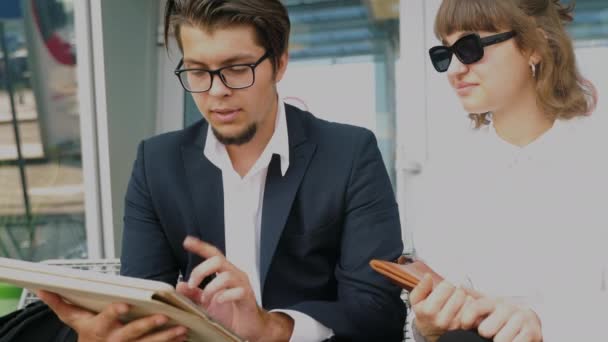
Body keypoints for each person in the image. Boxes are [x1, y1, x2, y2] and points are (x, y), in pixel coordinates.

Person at [39, 0, 406, 341]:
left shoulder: (349, 154)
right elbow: (144, 302)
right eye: (198, 72)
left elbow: (380, 314)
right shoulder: (157, 163)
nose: (216, 91)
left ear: (279, 63)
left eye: (236, 69)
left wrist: (271, 328)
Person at [408, 0, 607, 341]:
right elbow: (425, 321)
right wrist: (424, 327)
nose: (455, 69)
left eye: (470, 48)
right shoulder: (444, 178)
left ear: (533, 46)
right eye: (445, 54)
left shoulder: (595, 160)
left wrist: (546, 326)